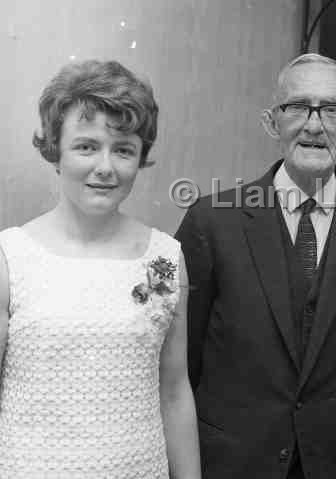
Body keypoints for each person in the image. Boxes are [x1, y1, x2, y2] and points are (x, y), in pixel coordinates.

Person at [176, 53, 336, 479]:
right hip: (231, 461)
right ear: (271, 122)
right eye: (297, 106)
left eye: (333, 109)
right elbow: (182, 360)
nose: (314, 125)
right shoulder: (212, 221)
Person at [0, 60, 201, 478]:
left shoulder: (163, 260)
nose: (106, 167)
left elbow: (175, 390)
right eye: (86, 146)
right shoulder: (10, 256)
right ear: (55, 150)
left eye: (123, 149)